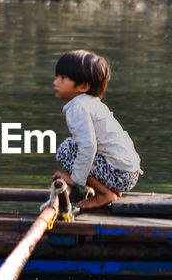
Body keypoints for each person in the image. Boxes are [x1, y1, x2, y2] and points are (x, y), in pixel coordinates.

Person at [51, 50, 141, 210]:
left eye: (63, 78)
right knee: (73, 145)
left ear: (84, 86)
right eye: (57, 76)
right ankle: (107, 189)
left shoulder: (79, 107)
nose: (55, 82)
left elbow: (88, 146)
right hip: (128, 174)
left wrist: (75, 179)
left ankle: (104, 194)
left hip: (119, 175)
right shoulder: (91, 103)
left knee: (67, 149)